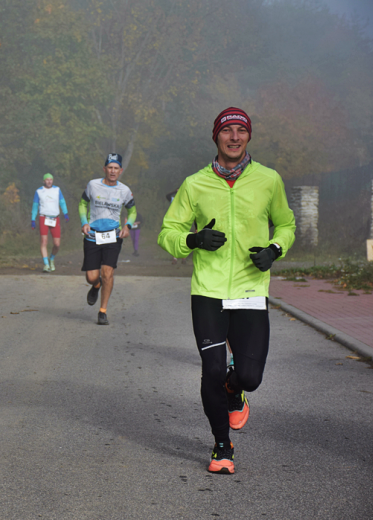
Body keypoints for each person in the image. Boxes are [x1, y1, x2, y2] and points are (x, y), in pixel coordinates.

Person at [157, 107, 295, 475]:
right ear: (215, 137)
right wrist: (193, 238)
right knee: (213, 369)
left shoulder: (268, 180)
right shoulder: (195, 183)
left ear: (249, 137)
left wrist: (274, 250)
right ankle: (222, 447)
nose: (234, 137)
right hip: (208, 292)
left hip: (251, 290)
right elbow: (167, 233)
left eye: (241, 131)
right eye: (227, 131)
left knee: (250, 376)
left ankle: (236, 392)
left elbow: (286, 224)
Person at [79, 153, 137, 325]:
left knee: (107, 273)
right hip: (92, 236)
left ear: (120, 170)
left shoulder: (125, 191)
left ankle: (102, 311)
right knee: (91, 277)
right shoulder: (93, 185)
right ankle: (95, 286)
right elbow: (83, 203)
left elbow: (132, 211)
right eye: (110, 167)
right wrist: (84, 222)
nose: (112, 171)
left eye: (116, 168)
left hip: (113, 236)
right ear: (104, 169)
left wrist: (128, 226)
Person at [31, 173, 69, 272]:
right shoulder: (39, 191)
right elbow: (35, 206)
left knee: (57, 244)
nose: (49, 181)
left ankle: (51, 258)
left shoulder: (57, 190)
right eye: (47, 180)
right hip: (43, 217)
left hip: (55, 218)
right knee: (44, 241)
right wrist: (33, 219)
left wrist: (65, 213)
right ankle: (46, 265)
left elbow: (62, 202)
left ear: (52, 181)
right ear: (44, 181)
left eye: (50, 180)